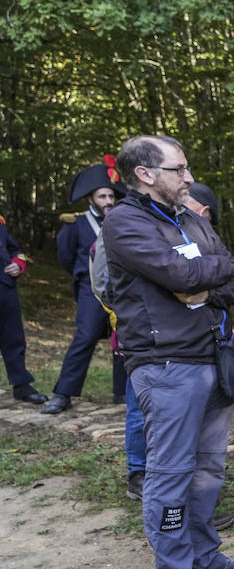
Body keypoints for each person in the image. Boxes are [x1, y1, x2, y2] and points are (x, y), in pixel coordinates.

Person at [103, 134, 234, 569]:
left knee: (209, 467)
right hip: (165, 365)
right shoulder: (124, 222)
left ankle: (203, 553)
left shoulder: (191, 218)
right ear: (146, 174)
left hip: (212, 357)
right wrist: (196, 275)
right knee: (170, 474)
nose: (189, 178)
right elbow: (177, 275)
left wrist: (200, 286)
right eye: (179, 169)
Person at [43, 163, 126, 414]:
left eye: (111, 195)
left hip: (121, 291)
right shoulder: (75, 225)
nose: (109, 200)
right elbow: (66, 257)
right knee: (85, 336)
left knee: (123, 339)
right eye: (103, 196)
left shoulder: (124, 222)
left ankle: (122, 392)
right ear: (91, 198)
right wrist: (84, 278)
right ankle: (63, 393)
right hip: (91, 290)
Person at [0, 213, 46, 405]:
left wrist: (18, 265)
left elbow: (14, 249)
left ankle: (21, 385)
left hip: (4, 287)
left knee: (14, 339)